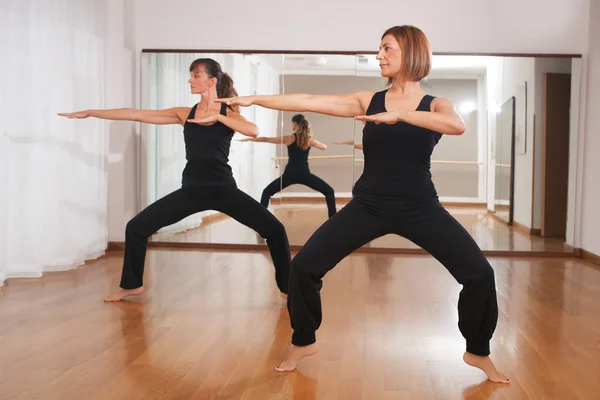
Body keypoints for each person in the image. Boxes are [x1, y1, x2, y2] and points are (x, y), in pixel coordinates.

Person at [216, 25, 510, 383]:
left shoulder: (436, 105)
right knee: (304, 266)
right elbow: (307, 100)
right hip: (368, 205)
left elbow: (456, 125)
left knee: (480, 274)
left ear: (411, 53)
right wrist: (255, 100)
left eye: (387, 49)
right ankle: (303, 340)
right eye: (379, 49)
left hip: (421, 207)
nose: (379, 56)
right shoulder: (367, 100)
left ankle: (478, 351)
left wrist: (400, 115)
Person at [58, 58, 291, 302]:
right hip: (191, 191)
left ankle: (288, 287)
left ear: (212, 81)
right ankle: (131, 285)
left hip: (224, 190)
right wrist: (91, 113)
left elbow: (253, 130)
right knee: (136, 228)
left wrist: (218, 118)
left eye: (196, 75)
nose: (190, 80)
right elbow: (136, 114)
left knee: (275, 230)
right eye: (190, 75)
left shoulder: (229, 114)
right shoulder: (184, 113)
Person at [242, 114, 337, 218]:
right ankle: (333, 220)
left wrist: (250, 139)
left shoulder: (289, 138)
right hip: (304, 174)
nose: (292, 125)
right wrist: (312, 141)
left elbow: (267, 139)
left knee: (266, 192)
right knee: (329, 191)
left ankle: (261, 221)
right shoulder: (308, 140)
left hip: (290, 174)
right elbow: (323, 147)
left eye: (292, 123)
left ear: (295, 124)